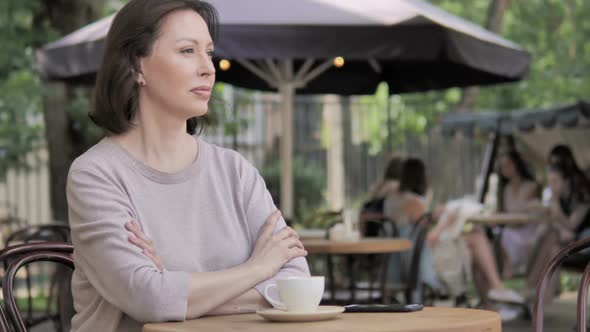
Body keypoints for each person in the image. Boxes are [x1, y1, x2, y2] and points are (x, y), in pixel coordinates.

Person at [66, 1, 309, 331]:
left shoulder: (235, 170)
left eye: (208, 52)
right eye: (187, 50)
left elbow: (296, 280)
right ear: (137, 66)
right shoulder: (96, 175)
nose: (208, 67)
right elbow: (150, 299)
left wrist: (177, 289)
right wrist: (258, 269)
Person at [526, 159, 590, 302]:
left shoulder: (582, 197)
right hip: (565, 241)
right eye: (550, 182)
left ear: (566, 180)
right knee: (552, 245)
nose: (552, 186)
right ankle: (544, 294)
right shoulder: (558, 197)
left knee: (552, 235)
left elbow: (572, 225)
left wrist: (555, 208)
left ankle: (531, 285)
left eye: (555, 181)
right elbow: (555, 224)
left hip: (585, 242)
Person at [383, 158, 440, 293]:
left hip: (390, 258)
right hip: (412, 260)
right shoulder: (415, 202)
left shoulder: (390, 199)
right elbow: (424, 237)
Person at [496, 150, 540, 276]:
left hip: (528, 230)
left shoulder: (531, 186)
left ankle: (512, 269)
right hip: (511, 230)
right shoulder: (506, 190)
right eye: (503, 166)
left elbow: (525, 214)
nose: (506, 169)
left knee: (505, 234)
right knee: (502, 234)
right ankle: (508, 269)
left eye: (508, 164)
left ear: (517, 164)